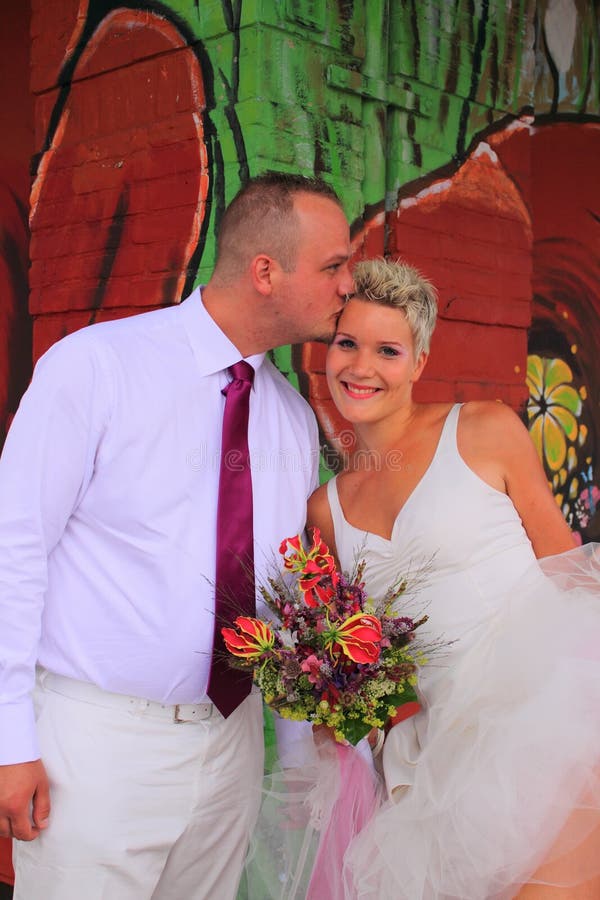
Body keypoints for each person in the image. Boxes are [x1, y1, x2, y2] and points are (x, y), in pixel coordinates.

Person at [0, 172, 354, 900]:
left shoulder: (289, 417)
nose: (348, 284)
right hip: (96, 749)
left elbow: (280, 595)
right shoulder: (97, 367)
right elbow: (14, 549)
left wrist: (293, 766)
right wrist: (8, 743)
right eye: (333, 266)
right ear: (265, 272)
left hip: (230, 750)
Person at [306, 257, 600, 898]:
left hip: (545, 725)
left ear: (418, 361)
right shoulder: (324, 510)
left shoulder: (484, 429)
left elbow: (570, 571)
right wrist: (344, 708)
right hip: (436, 763)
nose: (361, 367)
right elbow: (363, 657)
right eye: (346, 343)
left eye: (387, 349)